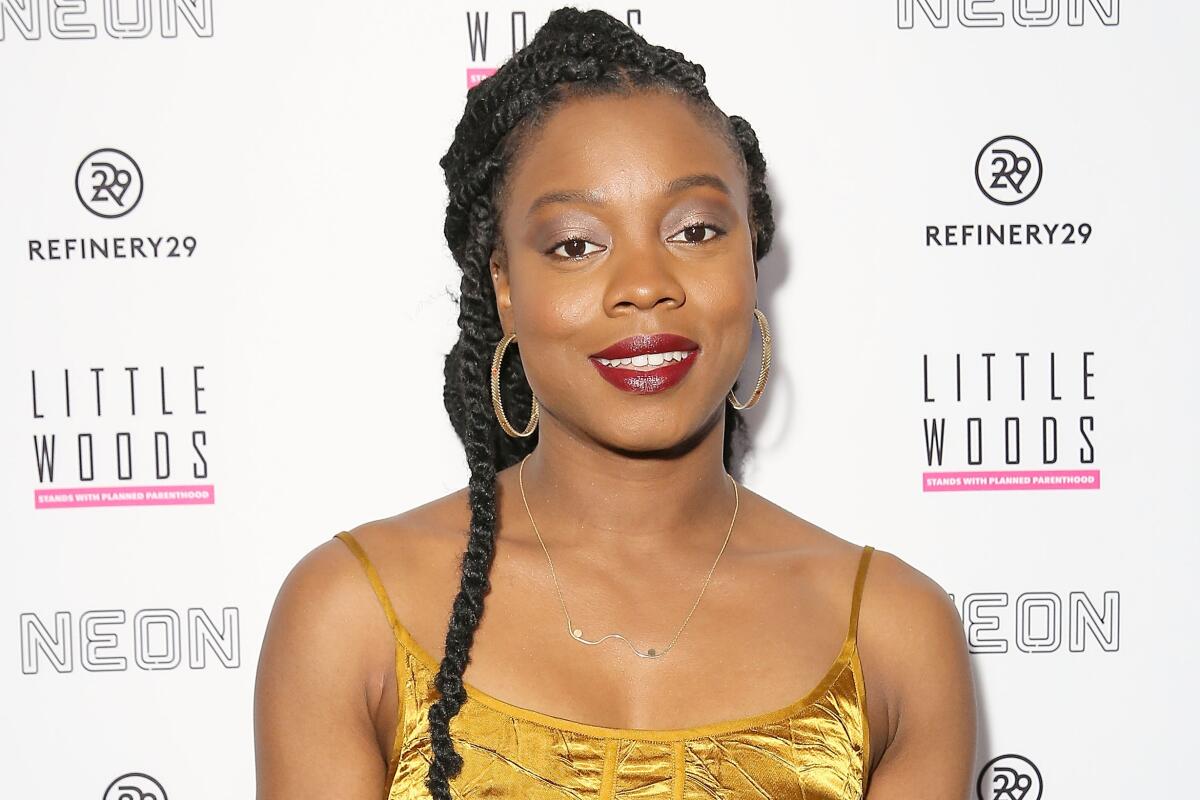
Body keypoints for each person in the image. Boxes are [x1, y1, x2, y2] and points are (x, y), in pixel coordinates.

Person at [253, 7, 976, 799]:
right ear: (504, 285)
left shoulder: (891, 635)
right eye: (575, 244)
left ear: (752, 255)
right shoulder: (349, 615)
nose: (644, 285)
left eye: (696, 231)